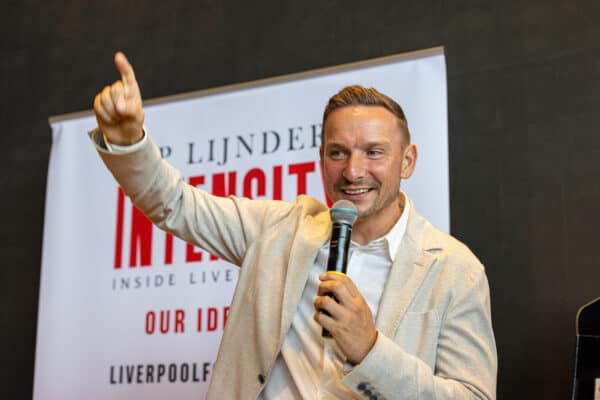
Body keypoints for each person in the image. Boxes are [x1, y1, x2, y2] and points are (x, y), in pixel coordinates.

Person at [91, 52, 497, 400]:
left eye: (374, 152)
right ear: (321, 158)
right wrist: (129, 141)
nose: (353, 171)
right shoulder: (280, 229)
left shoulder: (454, 269)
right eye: (338, 153)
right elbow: (175, 204)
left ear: (407, 161)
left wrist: (370, 350)